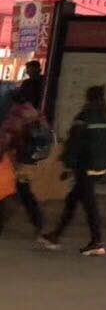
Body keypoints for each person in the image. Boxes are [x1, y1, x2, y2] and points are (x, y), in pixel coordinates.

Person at [41, 84, 106, 256]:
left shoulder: (84, 116)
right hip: (98, 166)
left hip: (84, 166)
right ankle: (55, 235)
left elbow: (75, 143)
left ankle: (96, 241)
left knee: (89, 204)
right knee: (73, 200)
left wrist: (68, 164)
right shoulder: (105, 117)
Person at [0, 90, 49, 244]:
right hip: (31, 159)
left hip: (17, 160)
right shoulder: (35, 113)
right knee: (21, 191)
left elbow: (7, 138)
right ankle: (39, 222)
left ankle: (39, 222)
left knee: (17, 192)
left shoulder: (16, 115)